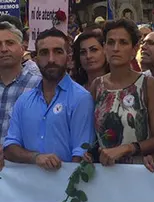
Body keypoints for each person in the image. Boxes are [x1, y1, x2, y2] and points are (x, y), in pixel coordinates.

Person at [3, 28, 93, 170]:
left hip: (66, 188)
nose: (51, 59)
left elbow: (81, 153)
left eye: (58, 52)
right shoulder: (24, 101)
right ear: (36, 58)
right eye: (44, 53)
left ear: (68, 57)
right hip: (27, 189)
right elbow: (10, 148)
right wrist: (35, 157)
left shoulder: (81, 98)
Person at [91, 19, 154, 167]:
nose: (116, 48)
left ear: (134, 49)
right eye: (110, 42)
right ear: (104, 47)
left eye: (123, 42)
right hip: (105, 171)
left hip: (138, 170)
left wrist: (128, 148)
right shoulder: (97, 85)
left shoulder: (147, 84)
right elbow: (91, 135)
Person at [0, 21, 41, 171]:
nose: (3, 49)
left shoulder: (39, 86)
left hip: (24, 173)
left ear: (22, 48)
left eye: (9, 43)